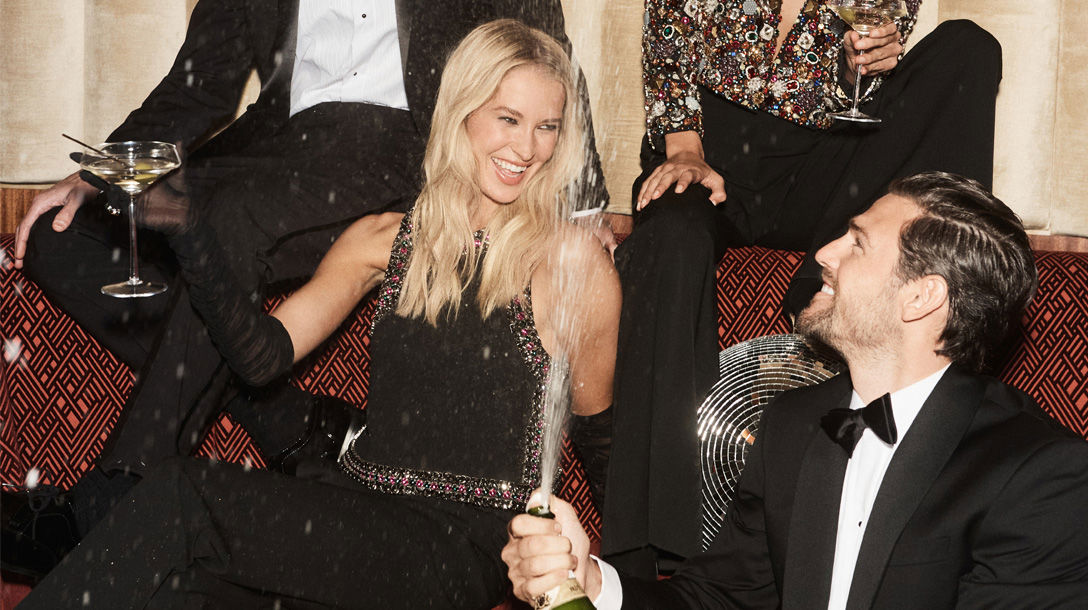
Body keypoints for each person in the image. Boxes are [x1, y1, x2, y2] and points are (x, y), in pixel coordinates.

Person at [17, 19, 619, 609]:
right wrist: (191, 232)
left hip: (462, 546)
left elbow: (600, 431)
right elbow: (260, 359)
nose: (528, 148)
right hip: (355, 505)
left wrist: (625, 582)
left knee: (179, 494)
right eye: (508, 119)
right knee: (168, 589)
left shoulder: (569, 263)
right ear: (460, 111)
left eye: (548, 128)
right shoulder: (384, 239)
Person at [505, 172, 1088, 608]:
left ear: (921, 297)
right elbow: (717, 601)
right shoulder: (792, 423)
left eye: (856, 243)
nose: (824, 254)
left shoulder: (1041, 473)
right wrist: (591, 581)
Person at [606, 0, 1004, 575]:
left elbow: (861, 91)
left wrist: (857, 70)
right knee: (671, 234)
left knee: (969, 47)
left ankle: (828, 300)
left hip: (825, 166)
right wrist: (686, 151)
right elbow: (669, 56)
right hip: (707, 155)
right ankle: (651, 556)